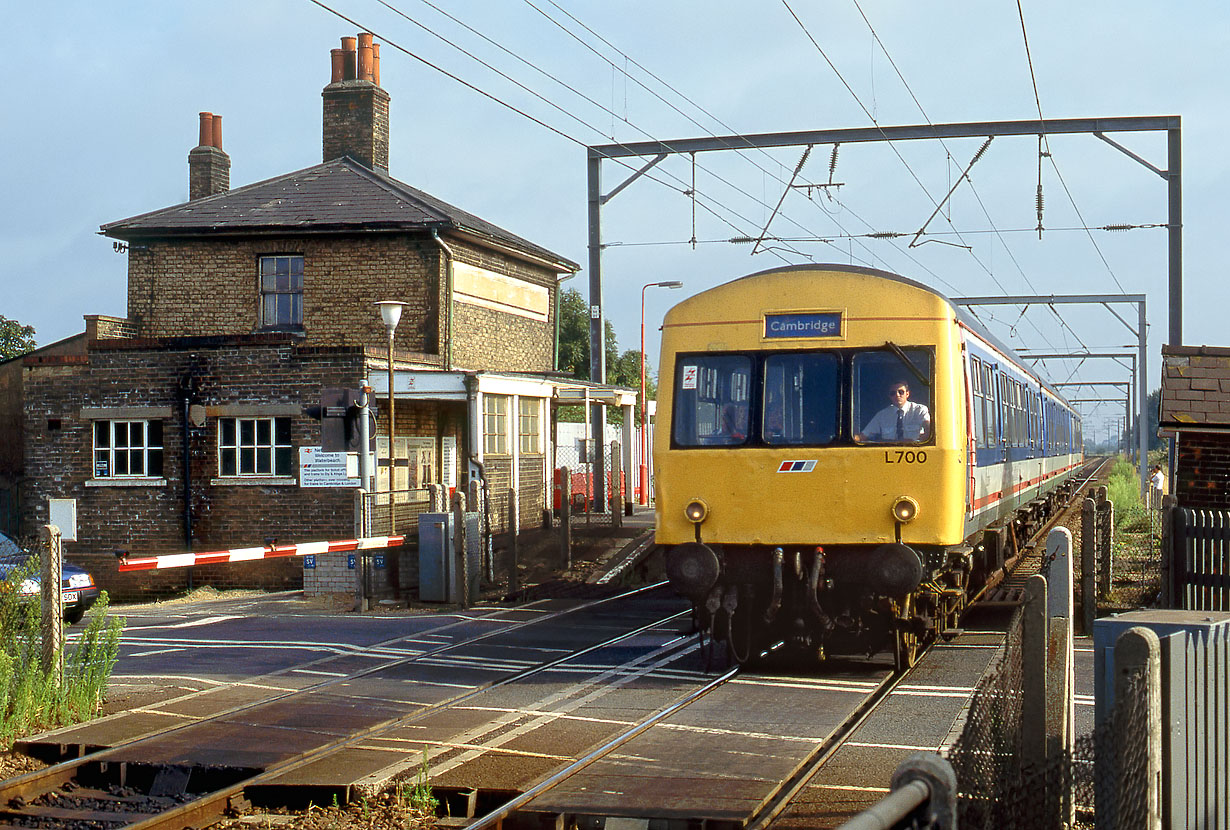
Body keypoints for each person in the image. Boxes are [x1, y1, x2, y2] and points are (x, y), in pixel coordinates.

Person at [857, 380, 931, 443]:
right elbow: (863, 436)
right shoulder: (882, 415)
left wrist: (915, 442)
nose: (897, 395)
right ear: (889, 396)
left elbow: (930, 432)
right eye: (893, 393)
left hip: (914, 454)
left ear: (907, 394)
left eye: (901, 392)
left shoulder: (919, 410)